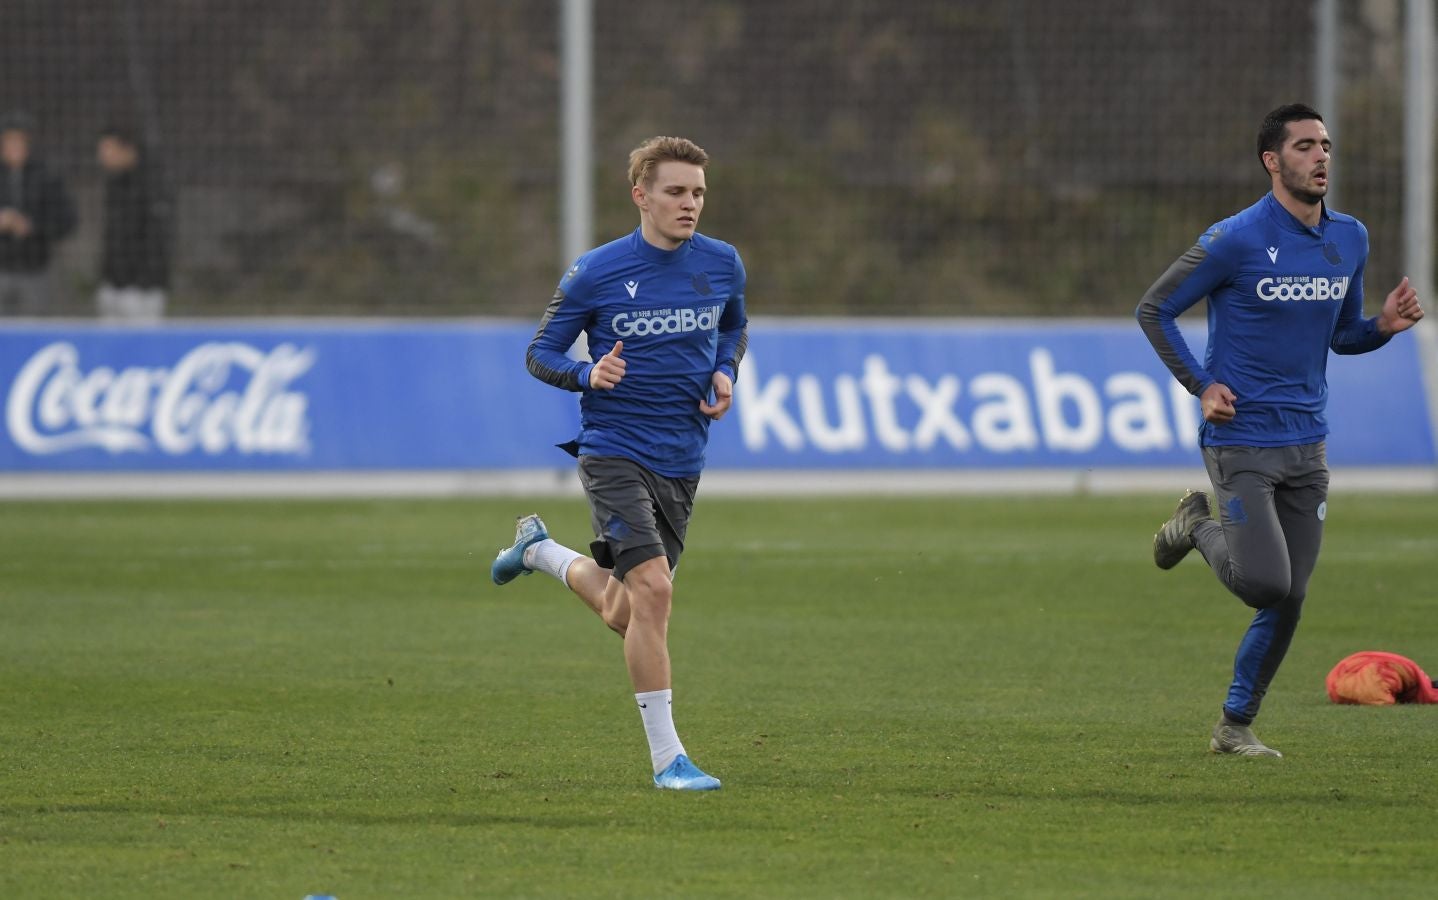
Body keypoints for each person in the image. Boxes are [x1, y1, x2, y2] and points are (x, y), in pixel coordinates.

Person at [1136, 103, 1424, 757]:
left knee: (1290, 598)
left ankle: (1234, 726)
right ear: (1272, 160)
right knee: (1266, 584)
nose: (1321, 156)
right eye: (1304, 146)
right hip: (1241, 440)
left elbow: (1343, 336)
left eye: (1326, 145)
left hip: (1308, 443)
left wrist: (1382, 327)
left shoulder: (1350, 238)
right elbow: (1154, 309)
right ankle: (1197, 526)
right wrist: (1201, 385)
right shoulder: (1235, 238)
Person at [490, 135, 748, 791]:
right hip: (613, 449)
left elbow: (732, 326)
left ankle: (539, 552)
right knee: (655, 592)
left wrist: (725, 370)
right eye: (675, 191)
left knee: (624, 611)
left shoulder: (722, 263)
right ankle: (669, 761)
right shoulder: (597, 271)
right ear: (641, 196)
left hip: (683, 456)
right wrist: (587, 374)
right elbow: (540, 352)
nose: (690, 204)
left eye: (698, 193)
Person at [0, 110, 77, 315]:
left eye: (18, 141)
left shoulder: (47, 176)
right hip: (2, 268)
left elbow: (68, 221)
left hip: (35, 271)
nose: (13, 147)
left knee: (33, 326)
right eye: (8, 141)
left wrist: (31, 226)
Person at [95, 124, 173, 321]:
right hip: (113, 286)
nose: (102, 156)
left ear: (127, 149)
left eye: (108, 149)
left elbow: (159, 238)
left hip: (142, 290)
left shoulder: (153, 184)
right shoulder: (114, 184)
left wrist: (143, 282)